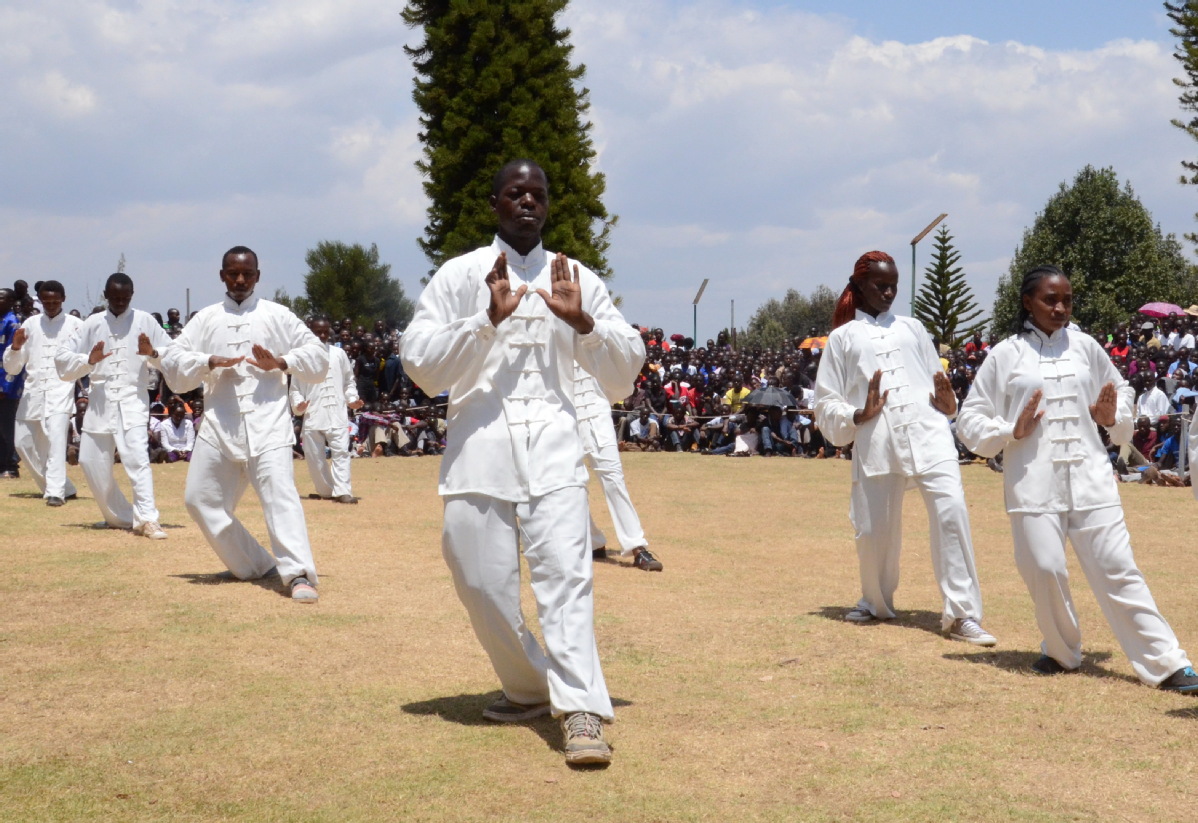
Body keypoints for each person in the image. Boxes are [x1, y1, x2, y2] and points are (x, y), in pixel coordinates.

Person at [399, 159, 644, 765]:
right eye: (516, 193)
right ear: (495, 204)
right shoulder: (461, 275)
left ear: (548, 204)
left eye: (538, 193)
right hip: (478, 452)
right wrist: (486, 319)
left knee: (566, 583)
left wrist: (583, 322)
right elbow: (420, 364)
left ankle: (582, 712)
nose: (528, 202)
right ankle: (532, 686)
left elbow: (624, 372)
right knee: (479, 584)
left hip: (556, 450)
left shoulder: (576, 276)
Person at [959, 265, 1197, 692]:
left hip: (1092, 480)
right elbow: (970, 419)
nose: (1060, 308)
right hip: (1032, 483)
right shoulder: (1006, 355)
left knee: (1119, 570)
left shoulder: (1086, 346)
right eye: (1050, 299)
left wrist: (1112, 416)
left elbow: (1120, 392)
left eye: (1067, 300)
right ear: (1027, 302)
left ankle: (1167, 663)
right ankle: (1061, 651)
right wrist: (1010, 430)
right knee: (1044, 569)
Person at [814, 251, 995, 646]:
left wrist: (949, 405)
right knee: (873, 531)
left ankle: (962, 614)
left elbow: (938, 387)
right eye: (880, 285)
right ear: (859, 285)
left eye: (894, 285)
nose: (889, 292)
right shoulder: (842, 339)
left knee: (952, 516)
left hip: (930, 435)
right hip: (877, 441)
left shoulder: (913, 328)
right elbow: (825, 403)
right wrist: (858, 413)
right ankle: (875, 601)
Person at [156, 246, 328, 603]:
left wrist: (281, 362)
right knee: (198, 500)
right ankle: (252, 565)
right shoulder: (206, 319)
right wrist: (208, 361)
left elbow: (318, 357)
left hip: (268, 424)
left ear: (257, 276)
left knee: (280, 498)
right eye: (232, 273)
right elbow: (173, 363)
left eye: (247, 274)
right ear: (222, 275)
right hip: (219, 424)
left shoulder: (278, 315)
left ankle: (299, 574)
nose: (239, 280)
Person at [55, 274, 171, 538]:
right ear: (106, 295)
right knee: (90, 461)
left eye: (125, 298)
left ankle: (148, 519)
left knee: (137, 460)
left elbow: (173, 352)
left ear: (132, 295)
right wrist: (89, 360)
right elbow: (62, 357)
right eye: (115, 297)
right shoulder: (92, 323)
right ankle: (119, 517)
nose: (120, 302)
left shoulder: (145, 321)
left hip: (132, 399)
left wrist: (153, 353)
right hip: (100, 401)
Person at [574, 364, 662, 572]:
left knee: (614, 480)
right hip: (562, 416)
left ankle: (637, 546)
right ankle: (593, 541)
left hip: (596, 412)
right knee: (572, 484)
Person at [2, 281, 83, 504]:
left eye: (55, 301)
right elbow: (13, 367)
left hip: (61, 391)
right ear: (40, 300)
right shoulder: (30, 324)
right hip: (33, 392)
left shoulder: (77, 326)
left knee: (55, 443)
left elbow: (87, 360)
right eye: (46, 301)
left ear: (63, 299)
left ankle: (55, 493)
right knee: (23, 443)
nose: (51, 305)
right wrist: (15, 347)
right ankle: (63, 486)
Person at [290, 316, 362, 503]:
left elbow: (348, 381)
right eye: (318, 332)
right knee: (314, 457)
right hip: (313, 415)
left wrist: (352, 399)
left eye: (325, 332)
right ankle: (326, 491)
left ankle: (343, 491)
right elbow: (295, 388)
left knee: (341, 453)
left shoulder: (339, 354)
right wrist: (299, 405)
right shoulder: (300, 356)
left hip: (337, 414)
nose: (322, 335)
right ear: (310, 331)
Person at [0, 289, 23, 478]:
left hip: (6, 385)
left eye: (1, 298)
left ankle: (11, 464)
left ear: (11, 302)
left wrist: (4, 387)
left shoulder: (12, 323)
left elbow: (14, 357)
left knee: (7, 426)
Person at [151, 397, 196, 463]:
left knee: (192, 458)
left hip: (186, 451)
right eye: (177, 415)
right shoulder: (164, 424)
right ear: (172, 414)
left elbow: (191, 442)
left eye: (181, 415)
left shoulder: (188, 423)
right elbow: (165, 443)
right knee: (170, 458)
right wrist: (175, 450)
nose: (179, 418)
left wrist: (185, 451)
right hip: (172, 450)